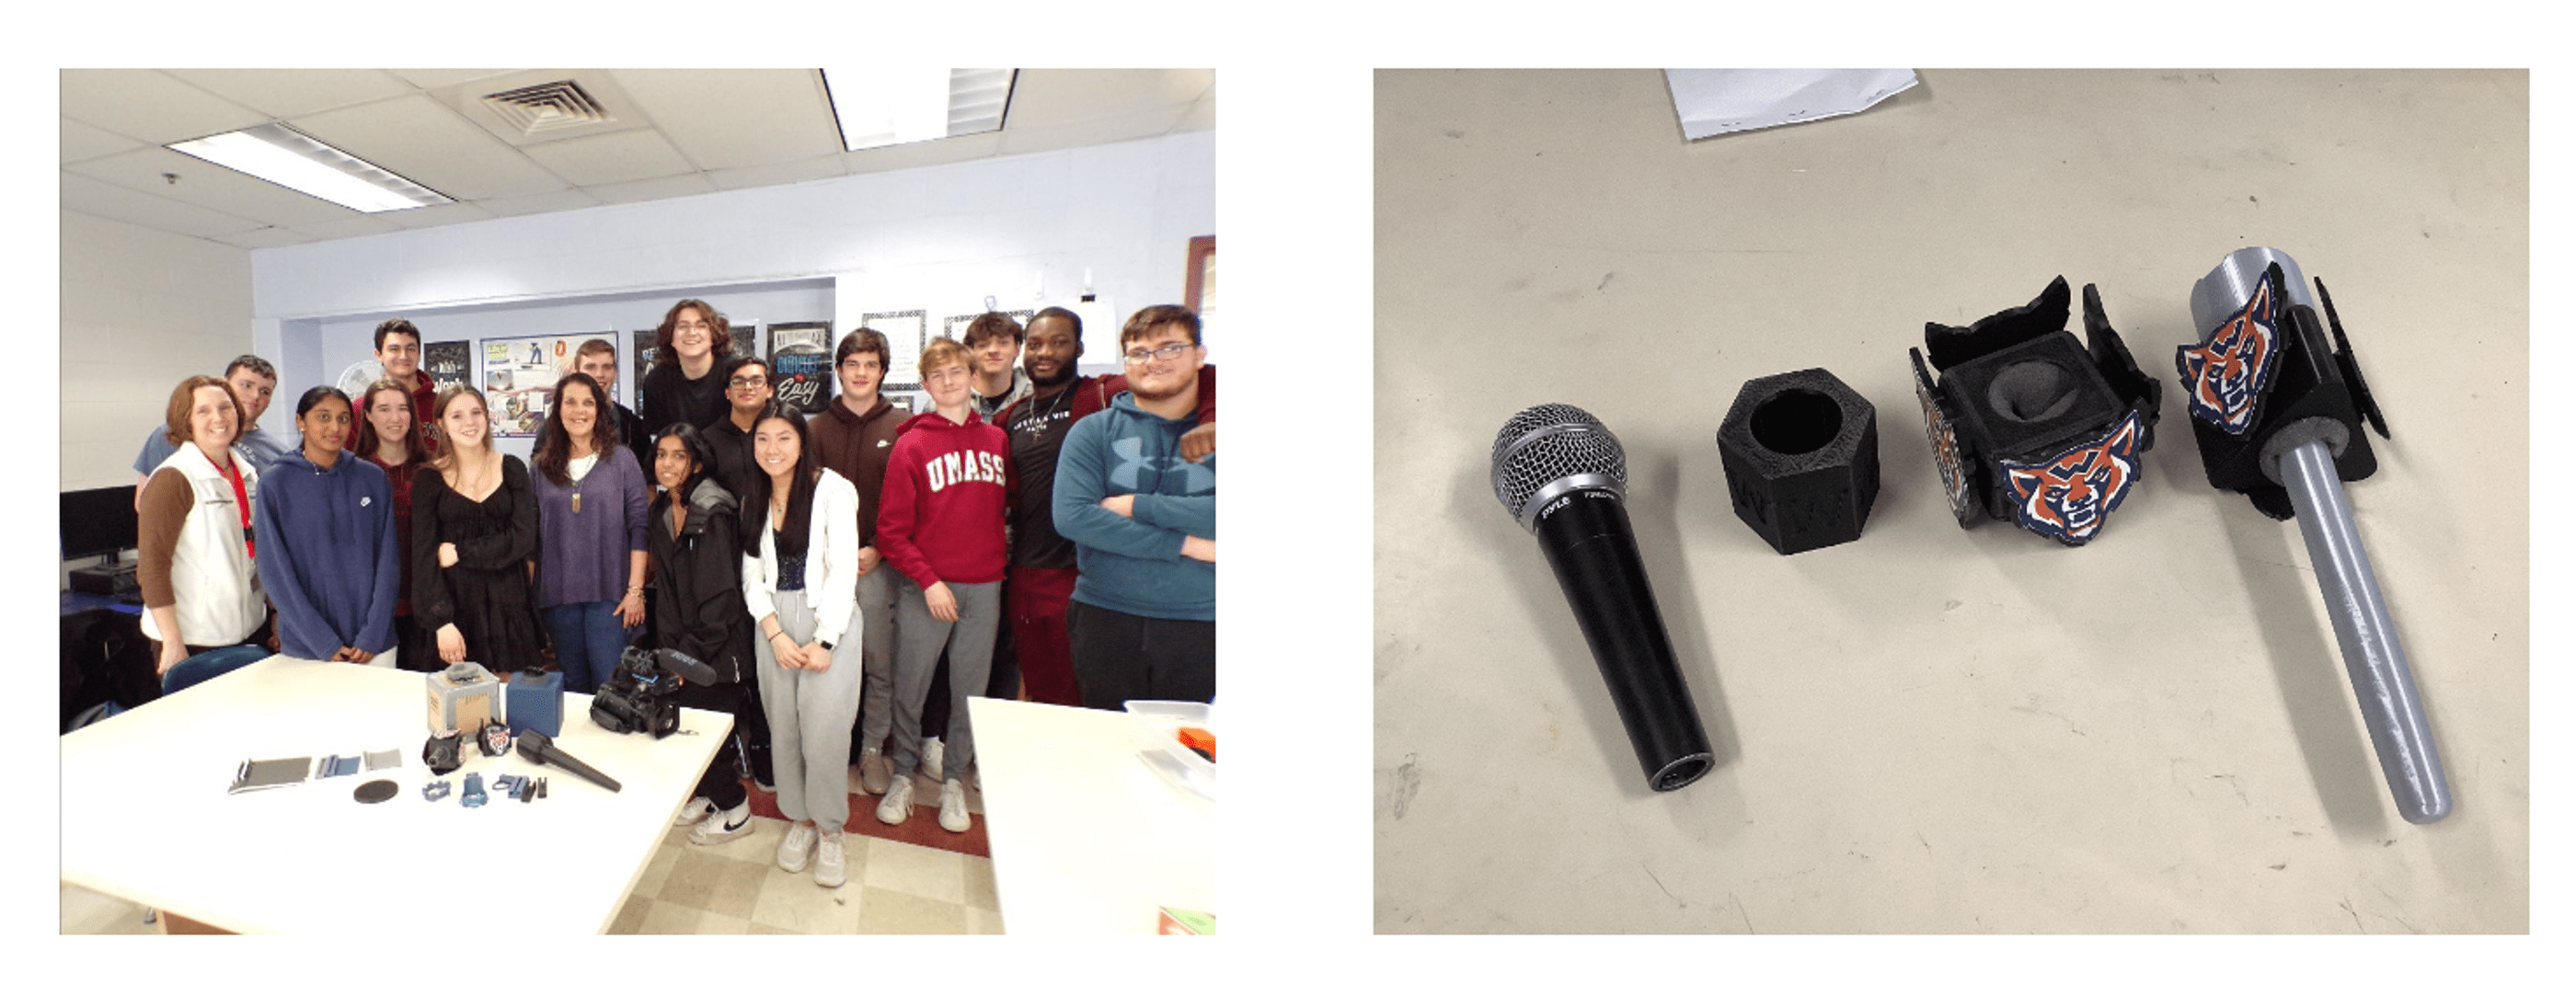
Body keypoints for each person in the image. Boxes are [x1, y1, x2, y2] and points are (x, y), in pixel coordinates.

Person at [995, 306, 1221, 706]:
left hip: (1204, 621)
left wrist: (1135, 505)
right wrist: (1188, 544)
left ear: (1200, 355)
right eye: (1139, 352)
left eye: (1170, 349)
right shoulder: (1092, 431)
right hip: (1104, 617)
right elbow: (1075, 517)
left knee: (1193, 748)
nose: (1153, 362)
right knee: (1108, 740)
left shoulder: (1218, 431)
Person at [874, 338, 1011, 834]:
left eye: (957, 372)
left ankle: (954, 778)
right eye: (938, 376)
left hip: (985, 586)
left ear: (974, 377)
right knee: (911, 687)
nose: (949, 383)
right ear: (926, 384)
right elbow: (890, 531)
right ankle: (905, 775)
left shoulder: (997, 440)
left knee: (968, 691)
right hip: (926, 587)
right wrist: (929, 581)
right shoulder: (912, 443)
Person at [739, 401, 865, 887]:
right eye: (763, 439)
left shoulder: (832, 489)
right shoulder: (753, 496)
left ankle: (831, 829)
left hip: (825, 622)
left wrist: (825, 640)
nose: (772, 449)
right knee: (784, 730)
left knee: (825, 734)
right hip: (773, 624)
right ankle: (801, 820)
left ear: (802, 441)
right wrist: (771, 630)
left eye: (783, 438)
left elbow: (843, 569)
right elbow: (751, 573)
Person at [809, 327, 911, 795]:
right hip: (826, 569)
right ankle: (828, 745)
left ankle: (872, 749)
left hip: (876, 564)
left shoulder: (903, 426)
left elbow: (908, 500)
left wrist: (880, 548)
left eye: (871, 365)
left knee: (877, 662)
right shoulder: (813, 428)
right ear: (840, 370)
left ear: (883, 372)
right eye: (853, 364)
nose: (861, 373)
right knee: (824, 655)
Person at [649, 423, 758, 846]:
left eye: (679, 456)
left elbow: (721, 601)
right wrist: (670, 653)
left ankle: (736, 809)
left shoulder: (712, 511)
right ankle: (711, 797)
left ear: (696, 462)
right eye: (662, 454)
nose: (668, 464)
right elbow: (671, 593)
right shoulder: (664, 508)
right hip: (683, 646)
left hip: (719, 652)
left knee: (706, 739)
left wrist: (685, 660)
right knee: (686, 732)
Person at [254, 386, 400, 666]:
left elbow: (388, 562)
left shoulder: (372, 478)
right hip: (308, 648)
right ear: (301, 422)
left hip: (374, 644)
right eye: (323, 417)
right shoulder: (275, 483)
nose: (335, 427)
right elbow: (275, 573)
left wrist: (372, 635)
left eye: (343, 418)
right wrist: (321, 641)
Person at [137, 375, 270, 677]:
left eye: (226, 408)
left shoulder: (247, 475)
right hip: (193, 640)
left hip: (248, 629)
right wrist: (172, 641)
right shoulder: (173, 478)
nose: (218, 418)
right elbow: (152, 568)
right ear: (185, 421)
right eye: (203, 411)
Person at [531, 372, 650, 693]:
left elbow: (639, 526)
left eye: (587, 402)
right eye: (570, 402)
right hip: (558, 597)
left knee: (610, 685)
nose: (579, 410)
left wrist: (635, 591)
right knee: (572, 687)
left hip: (610, 595)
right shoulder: (541, 467)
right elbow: (533, 537)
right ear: (557, 410)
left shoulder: (622, 460)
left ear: (599, 410)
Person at [411, 386, 545, 676]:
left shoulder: (511, 468)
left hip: (509, 605)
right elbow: (423, 559)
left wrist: (460, 552)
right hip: (455, 611)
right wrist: (441, 622)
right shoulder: (428, 480)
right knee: (463, 708)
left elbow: (523, 538)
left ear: (487, 417)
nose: (468, 422)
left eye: (476, 412)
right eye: (456, 415)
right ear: (441, 424)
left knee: (512, 702)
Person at [351, 375, 439, 672]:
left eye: (403, 409)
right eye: (384, 409)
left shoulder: (432, 469)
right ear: (368, 416)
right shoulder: (352, 472)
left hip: (424, 603)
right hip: (370, 608)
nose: (395, 418)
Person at [135, 355, 288, 509]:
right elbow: (145, 505)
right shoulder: (173, 434)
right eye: (246, 385)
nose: (255, 396)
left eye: (265, 391)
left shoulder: (280, 453)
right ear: (225, 385)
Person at [533, 338, 650, 467]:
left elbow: (646, 481)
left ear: (615, 373)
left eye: (607, 367)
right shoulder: (554, 426)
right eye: (590, 367)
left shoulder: (633, 426)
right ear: (577, 373)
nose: (599, 374)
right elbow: (539, 476)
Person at [639, 300, 733, 441]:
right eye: (683, 326)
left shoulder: (734, 373)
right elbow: (658, 439)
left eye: (701, 326)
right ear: (671, 338)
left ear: (714, 335)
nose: (692, 332)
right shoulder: (657, 381)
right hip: (682, 457)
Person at [705, 356, 775, 499]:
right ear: (727, 393)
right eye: (738, 381)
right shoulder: (707, 440)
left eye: (756, 381)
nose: (747, 387)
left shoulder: (783, 436)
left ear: (769, 390)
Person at [370, 319, 442, 454]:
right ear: (378, 355)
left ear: (419, 354)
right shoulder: (362, 408)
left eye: (411, 349)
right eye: (394, 349)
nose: (404, 356)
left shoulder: (441, 406)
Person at [962, 311, 1030, 419]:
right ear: (970, 352)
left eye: (1003, 343)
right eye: (983, 345)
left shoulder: (1036, 396)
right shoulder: (948, 402)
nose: (993, 350)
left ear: (1018, 349)